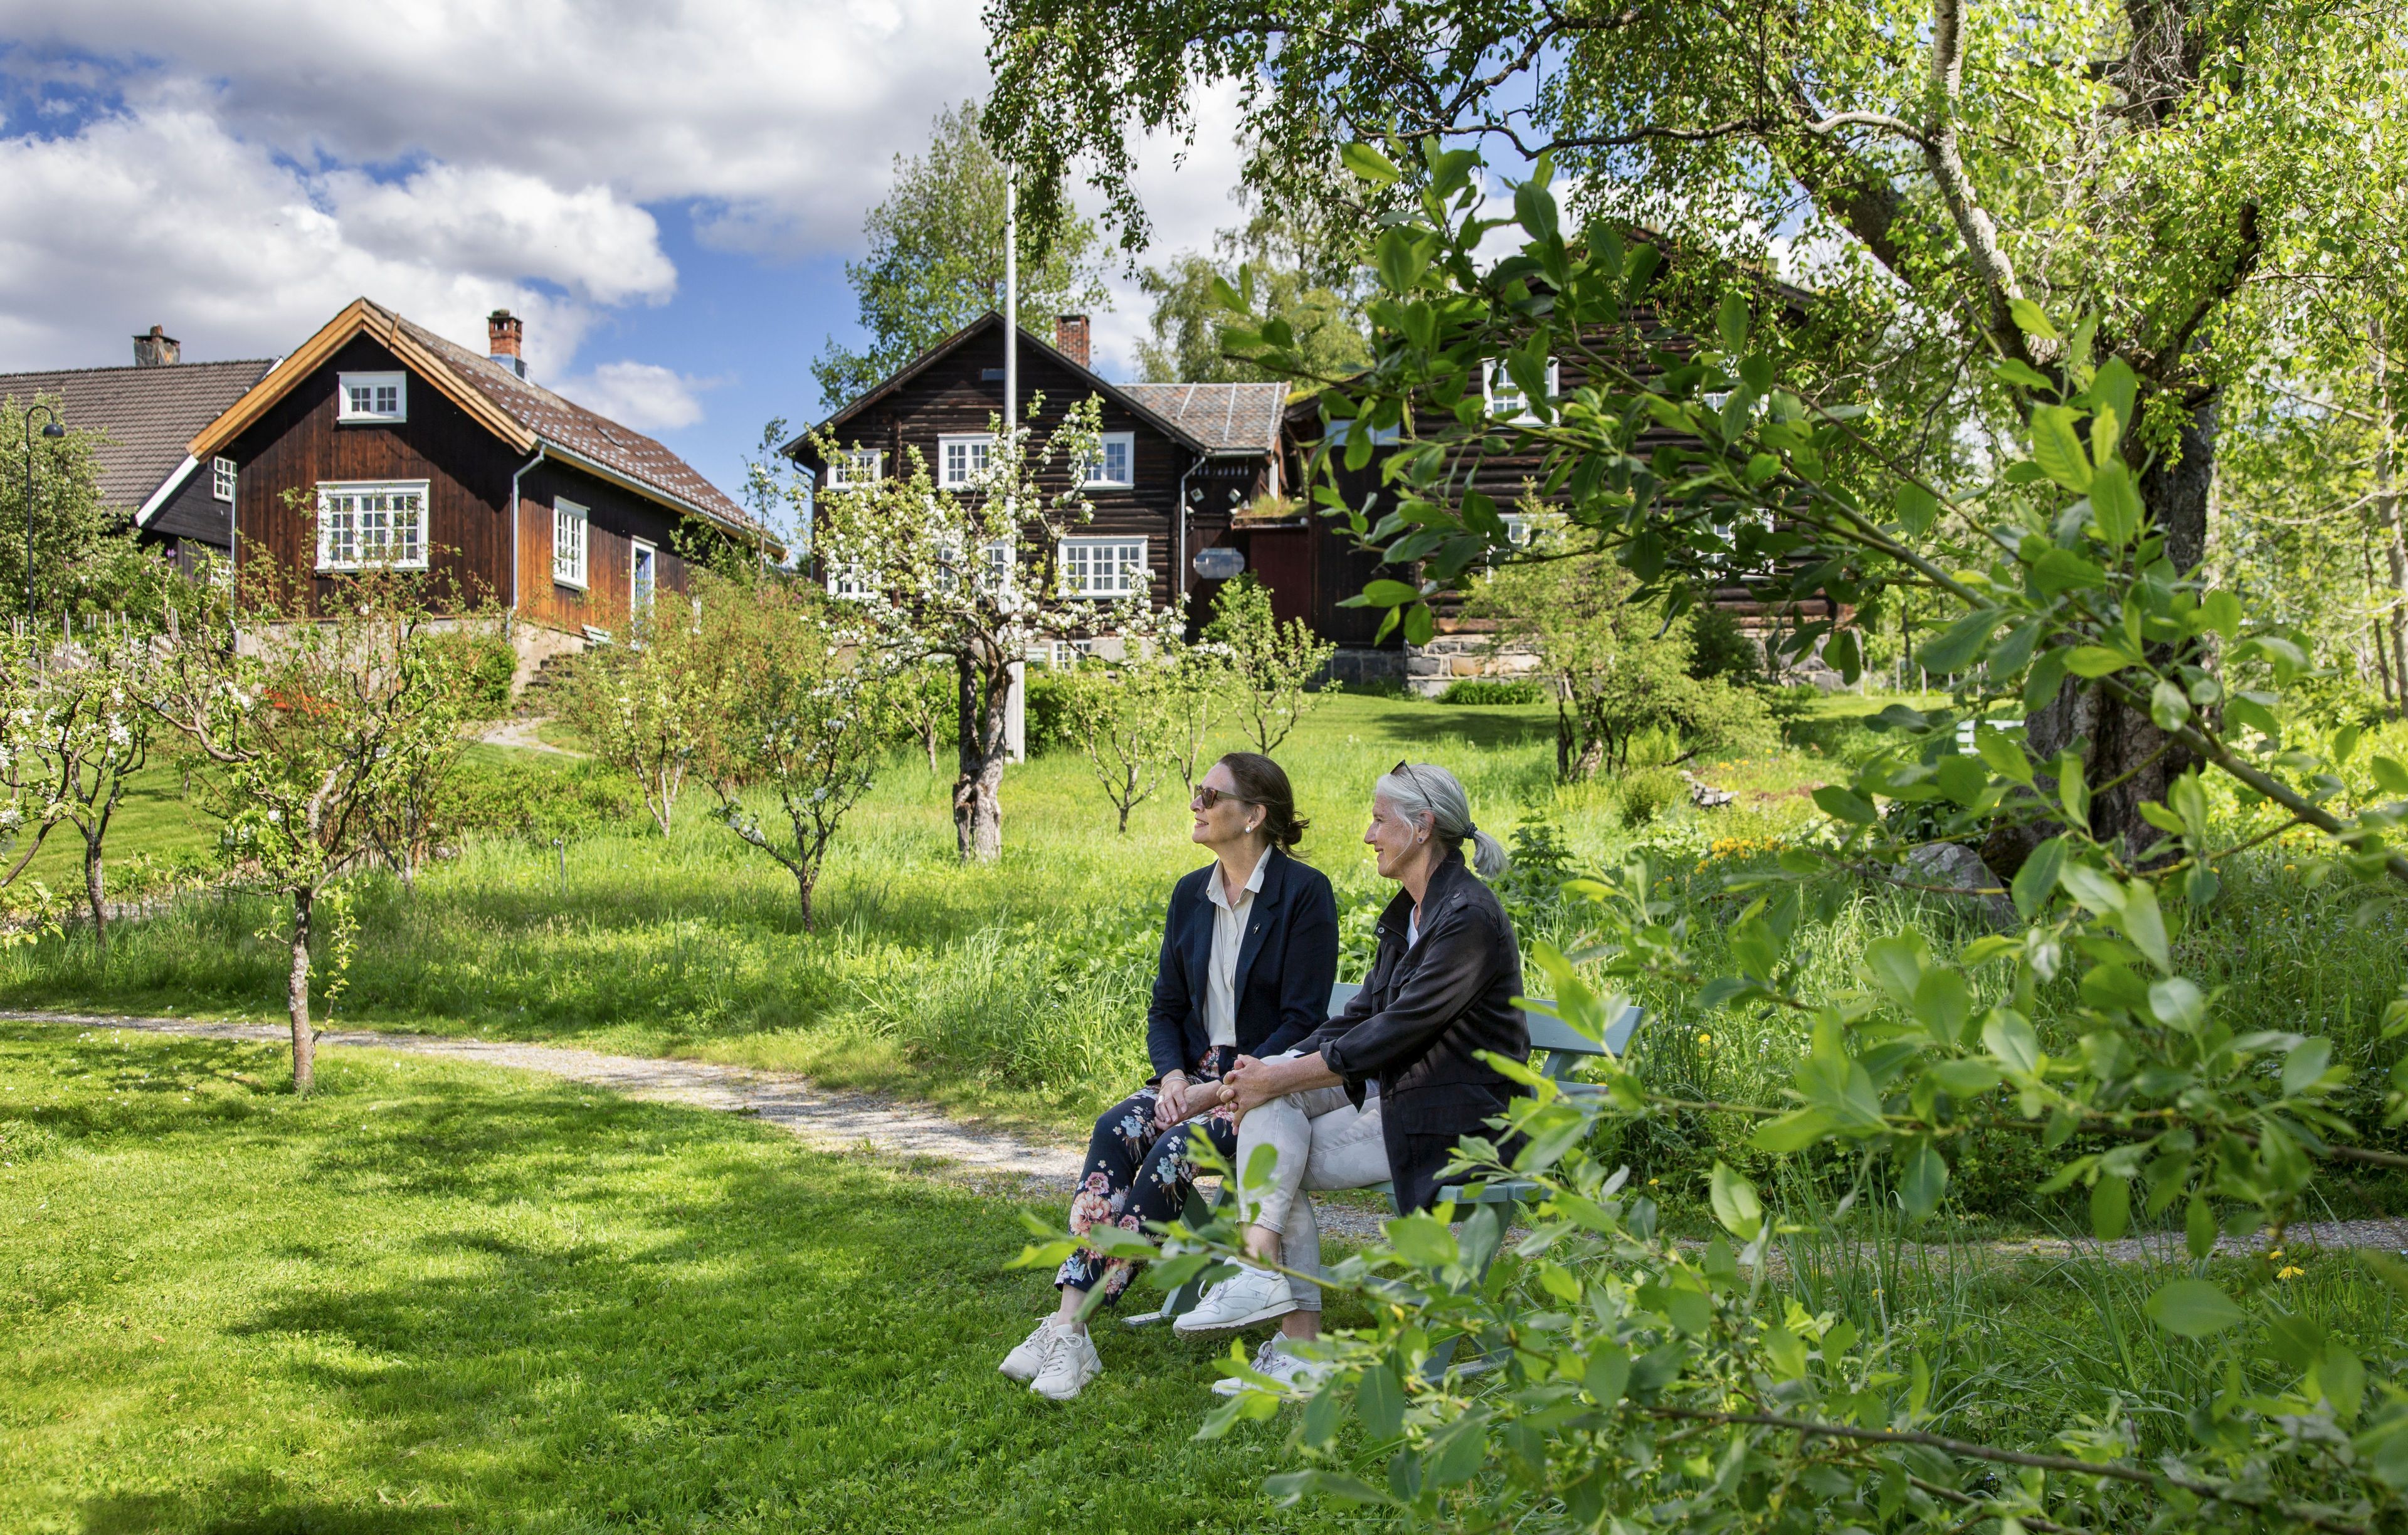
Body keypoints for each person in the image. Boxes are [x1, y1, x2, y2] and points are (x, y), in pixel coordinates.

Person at [998, 751, 1338, 1401]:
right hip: (1191, 1078)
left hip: (1261, 1084)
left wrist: (1218, 1090)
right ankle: (1069, 1328)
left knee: (1172, 1151)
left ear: (1254, 815)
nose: (1196, 804)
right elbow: (1166, 1008)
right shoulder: (1191, 894)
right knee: (1114, 1128)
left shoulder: (1304, 895)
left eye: (1210, 795)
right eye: (1197, 792)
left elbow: (1304, 1020)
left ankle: (1070, 1325)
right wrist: (1176, 1077)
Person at [1184, 761, 1523, 1391]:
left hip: (1458, 1121)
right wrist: (1262, 1074)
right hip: (1402, 1099)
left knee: (1277, 1158)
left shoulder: (1467, 918)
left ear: (1421, 828)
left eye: (1378, 821)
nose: (1369, 836)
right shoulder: (1412, 912)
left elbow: (1393, 1033)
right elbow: (1360, 1014)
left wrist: (1276, 1080)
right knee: (1269, 1116)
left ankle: (1290, 1330)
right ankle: (1271, 1295)